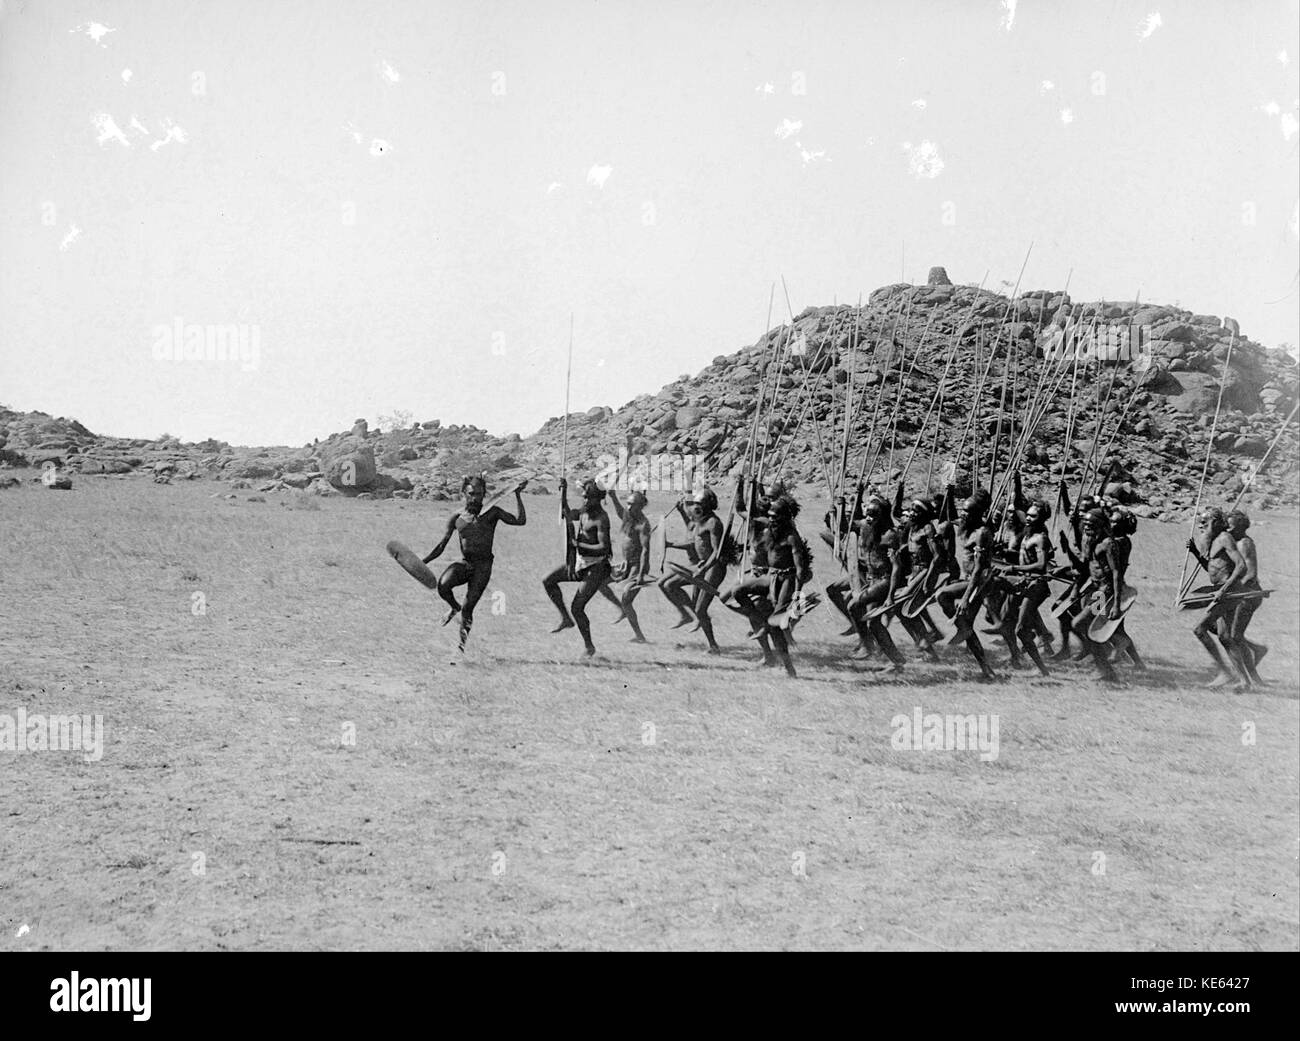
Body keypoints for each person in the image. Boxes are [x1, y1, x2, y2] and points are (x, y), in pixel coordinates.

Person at [423, 473, 528, 650]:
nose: (475, 498)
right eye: (471, 493)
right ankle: (453, 607)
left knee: (468, 609)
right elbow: (442, 545)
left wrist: (518, 495)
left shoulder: (492, 513)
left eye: (479, 494)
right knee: (443, 586)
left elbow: (520, 521)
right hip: (466, 563)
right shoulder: (457, 517)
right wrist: (422, 562)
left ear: (484, 494)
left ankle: (461, 648)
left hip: (483, 567)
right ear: (464, 492)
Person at [542, 477, 613, 657]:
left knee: (577, 607)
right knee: (548, 580)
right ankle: (566, 619)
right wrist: (563, 491)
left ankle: (589, 647)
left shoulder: (601, 519)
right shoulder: (583, 511)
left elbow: (603, 548)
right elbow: (566, 514)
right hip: (581, 563)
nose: (585, 500)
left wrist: (579, 546)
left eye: (589, 498)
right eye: (584, 497)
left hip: (598, 567)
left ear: (599, 498)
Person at [935, 490, 998, 680]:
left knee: (942, 595)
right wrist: (950, 492)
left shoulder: (982, 533)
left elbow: (979, 569)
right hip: (968, 578)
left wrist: (964, 598)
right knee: (967, 627)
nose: (963, 515)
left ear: (978, 514)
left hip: (980, 581)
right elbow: (950, 516)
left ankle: (963, 629)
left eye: (968, 512)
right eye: (963, 511)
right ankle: (987, 670)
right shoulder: (966, 526)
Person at [1185, 507, 1251, 689]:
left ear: (1215, 522)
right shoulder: (1215, 540)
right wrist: (1195, 553)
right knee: (1224, 637)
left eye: (1205, 523)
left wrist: (1224, 589)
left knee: (1199, 629)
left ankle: (1225, 672)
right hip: (1221, 591)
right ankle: (1244, 681)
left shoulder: (1224, 538)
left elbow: (1241, 566)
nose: (1201, 526)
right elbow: (1213, 568)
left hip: (1228, 592)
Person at [993, 498, 1054, 676]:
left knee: (1020, 628)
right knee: (1004, 622)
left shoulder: (1041, 538)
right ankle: (1015, 657)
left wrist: (1015, 568)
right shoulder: (1027, 534)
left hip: (1037, 585)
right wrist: (1003, 552)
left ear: (1041, 519)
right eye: (1027, 515)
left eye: (1033, 516)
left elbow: (1041, 565)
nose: (1028, 518)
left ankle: (1042, 670)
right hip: (1023, 582)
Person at [1226, 509, 1267, 685]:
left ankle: (1253, 678)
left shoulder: (1245, 544)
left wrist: (1231, 589)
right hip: (1240, 593)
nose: (1227, 530)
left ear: (1240, 527)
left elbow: (1250, 573)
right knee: (1229, 633)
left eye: (1230, 526)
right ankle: (1257, 650)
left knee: (1235, 636)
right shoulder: (1235, 542)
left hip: (1248, 595)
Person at [607, 487, 653, 643]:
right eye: (628, 503)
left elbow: (645, 550)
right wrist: (613, 497)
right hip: (625, 564)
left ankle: (639, 636)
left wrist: (640, 575)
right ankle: (621, 609)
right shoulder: (629, 517)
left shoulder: (643, 524)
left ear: (640, 506)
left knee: (627, 598)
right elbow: (621, 512)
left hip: (637, 567)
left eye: (632, 504)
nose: (628, 507)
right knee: (598, 581)